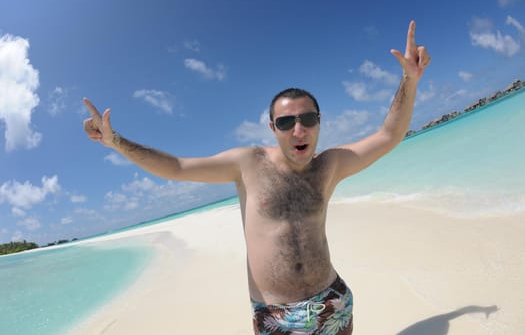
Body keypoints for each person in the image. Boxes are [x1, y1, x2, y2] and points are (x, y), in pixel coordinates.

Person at [83, 20, 430, 335]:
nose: (298, 129)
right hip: (276, 316)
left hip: (333, 301)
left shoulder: (331, 165)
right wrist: (116, 142)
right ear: (272, 128)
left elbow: (388, 136)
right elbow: (176, 167)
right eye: (285, 122)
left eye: (308, 119)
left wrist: (408, 81)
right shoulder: (248, 163)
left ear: (319, 122)